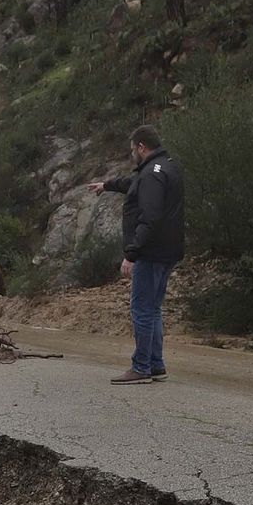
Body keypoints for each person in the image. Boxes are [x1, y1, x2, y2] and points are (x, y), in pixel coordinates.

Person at [91, 125, 185, 385]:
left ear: (141, 147)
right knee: (152, 309)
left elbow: (151, 216)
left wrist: (132, 253)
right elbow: (134, 184)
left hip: (151, 252)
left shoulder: (152, 175)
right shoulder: (164, 167)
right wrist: (107, 185)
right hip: (167, 251)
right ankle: (156, 365)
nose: (132, 153)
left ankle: (141, 366)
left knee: (141, 309)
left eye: (133, 148)